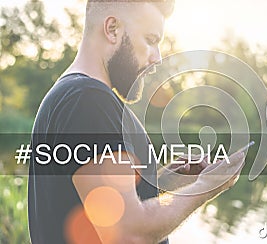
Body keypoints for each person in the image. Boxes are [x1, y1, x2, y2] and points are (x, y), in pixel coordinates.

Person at [28, 1, 246, 244]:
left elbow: (87, 207)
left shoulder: (74, 95)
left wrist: (161, 184)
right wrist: (207, 186)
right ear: (112, 29)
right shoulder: (87, 100)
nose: (158, 58)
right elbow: (127, 233)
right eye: (150, 40)